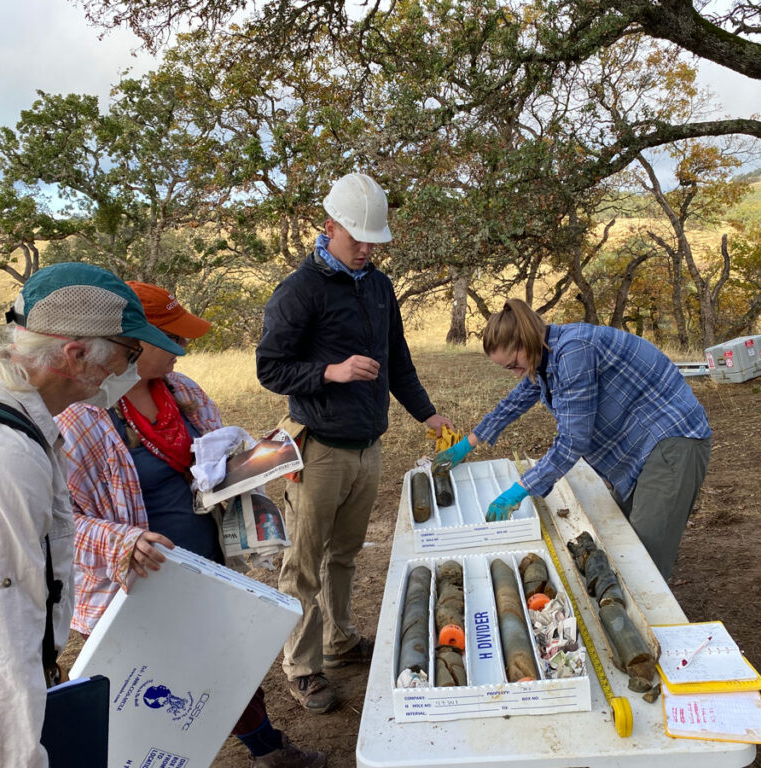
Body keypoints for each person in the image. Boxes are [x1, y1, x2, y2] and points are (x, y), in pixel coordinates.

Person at [0, 262, 182, 766]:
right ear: (76, 354)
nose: (125, 371)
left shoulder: (7, 416)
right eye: (126, 355)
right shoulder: (1, 457)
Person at [55, 282, 325, 768]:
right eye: (174, 339)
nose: (185, 349)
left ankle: (268, 749)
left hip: (203, 566)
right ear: (137, 341)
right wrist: (123, 540)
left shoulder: (183, 392)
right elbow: (56, 521)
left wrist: (256, 463)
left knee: (226, 663)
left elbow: (213, 467)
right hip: (138, 584)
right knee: (144, 685)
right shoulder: (81, 418)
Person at [256, 172, 453, 714]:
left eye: (374, 239)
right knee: (304, 560)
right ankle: (302, 666)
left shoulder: (379, 286)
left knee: (343, 556)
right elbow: (270, 368)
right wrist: (332, 372)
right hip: (318, 447)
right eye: (356, 238)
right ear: (329, 227)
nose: (366, 248)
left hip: (369, 447)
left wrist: (427, 413)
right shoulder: (300, 291)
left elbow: (399, 361)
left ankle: (340, 641)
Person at [433, 298, 712, 580]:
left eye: (513, 365)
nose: (516, 373)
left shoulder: (574, 351)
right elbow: (516, 400)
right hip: (638, 444)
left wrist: (520, 489)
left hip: (673, 441)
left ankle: (655, 622)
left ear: (527, 340)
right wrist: (469, 442)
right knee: (622, 541)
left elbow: (573, 440)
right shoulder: (545, 355)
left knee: (643, 561)